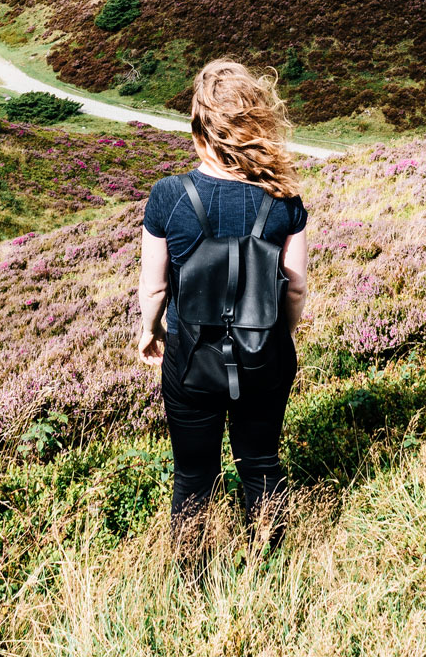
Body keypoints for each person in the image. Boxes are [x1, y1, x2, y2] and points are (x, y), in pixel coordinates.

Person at [137, 58, 309, 555]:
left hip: (191, 360)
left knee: (193, 477)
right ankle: (273, 566)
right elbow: (294, 289)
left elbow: (155, 289)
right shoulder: (284, 199)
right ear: (257, 124)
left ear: (199, 128)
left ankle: (193, 581)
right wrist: (279, 336)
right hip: (266, 357)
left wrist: (151, 331)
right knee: (261, 463)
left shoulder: (168, 196)